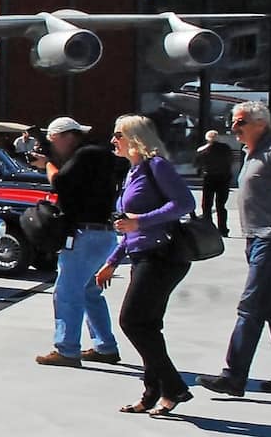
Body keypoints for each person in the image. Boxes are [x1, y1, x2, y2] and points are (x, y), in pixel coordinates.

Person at [197, 101, 271, 397]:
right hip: (258, 238)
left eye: (240, 122)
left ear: (260, 123)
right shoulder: (253, 153)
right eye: (233, 122)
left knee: (249, 308)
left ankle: (233, 377)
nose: (234, 128)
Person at [98, 115, 198, 415]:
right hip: (143, 255)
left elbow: (184, 204)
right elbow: (128, 226)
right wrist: (112, 261)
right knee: (149, 326)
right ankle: (153, 394)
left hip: (163, 257)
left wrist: (141, 220)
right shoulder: (132, 172)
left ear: (134, 137)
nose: (113, 140)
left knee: (132, 322)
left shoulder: (156, 166)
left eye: (118, 135)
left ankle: (175, 387)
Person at [29, 116, 126, 367]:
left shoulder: (86, 155)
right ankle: (105, 346)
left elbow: (60, 183)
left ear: (68, 136)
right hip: (102, 232)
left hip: (84, 234)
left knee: (67, 293)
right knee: (90, 291)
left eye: (53, 140)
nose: (51, 145)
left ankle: (67, 349)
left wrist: (48, 163)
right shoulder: (99, 155)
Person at [195, 130, 234, 237]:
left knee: (207, 205)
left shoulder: (203, 150)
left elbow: (197, 163)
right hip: (224, 178)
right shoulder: (226, 148)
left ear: (207, 138)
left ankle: (208, 228)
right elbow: (231, 160)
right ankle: (223, 229)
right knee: (221, 205)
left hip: (209, 177)